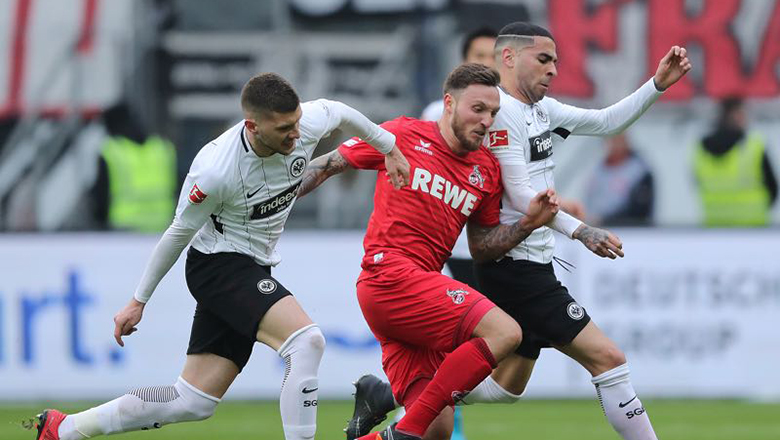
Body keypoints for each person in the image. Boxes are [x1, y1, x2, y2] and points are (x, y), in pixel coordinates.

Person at [345, 22, 692, 440]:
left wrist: (656, 85)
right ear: (509, 58)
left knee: (508, 387)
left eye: (556, 62)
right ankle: (404, 414)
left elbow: (605, 122)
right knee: (608, 358)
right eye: (544, 60)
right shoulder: (499, 113)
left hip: (535, 259)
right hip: (515, 266)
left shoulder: (539, 110)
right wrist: (582, 231)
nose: (553, 70)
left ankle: (389, 398)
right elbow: (521, 192)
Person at [33, 72, 411, 440]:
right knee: (306, 341)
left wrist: (389, 147)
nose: (296, 135)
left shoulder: (305, 125)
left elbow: (341, 111)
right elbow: (178, 232)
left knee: (192, 401)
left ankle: (64, 429)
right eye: (284, 129)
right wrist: (138, 301)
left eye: (296, 123)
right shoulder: (215, 170)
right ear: (253, 126)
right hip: (219, 266)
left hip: (251, 265)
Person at [299, 63, 559, 440]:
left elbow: (482, 248)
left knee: (436, 432)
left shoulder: (486, 169)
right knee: (505, 332)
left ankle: (389, 416)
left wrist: (527, 224)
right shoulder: (402, 134)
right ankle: (404, 430)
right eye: (478, 109)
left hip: (419, 290)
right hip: (387, 275)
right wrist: (271, 196)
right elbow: (326, 166)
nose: (486, 121)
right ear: (449, 104)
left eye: (493, 113)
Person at [91, 103, 178, 232]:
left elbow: (101, 193)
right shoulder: (162, 147)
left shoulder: (111, 150)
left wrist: (99, 221)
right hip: (162, 224)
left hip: (125, 225)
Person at [693, 96, 777, 226]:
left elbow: (696, 182)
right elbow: (773, 187)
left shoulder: (700, 149)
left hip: (715, 225)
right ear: (733, 115)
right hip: (753, 226)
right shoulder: (754, 146)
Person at [420, 27, 497, 123]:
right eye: (480, 56)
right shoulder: (435, 113)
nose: (488, 63)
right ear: (464, 61)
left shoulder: (514, 110)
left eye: (494, 57)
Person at [584, 133, 655, 225]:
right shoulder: (598, 168)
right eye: (610, 139)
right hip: (594, 228)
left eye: (617, 140)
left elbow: (638, 213)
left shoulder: (639, 172)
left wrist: (605, 220)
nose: (613, 144)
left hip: (625, 231)